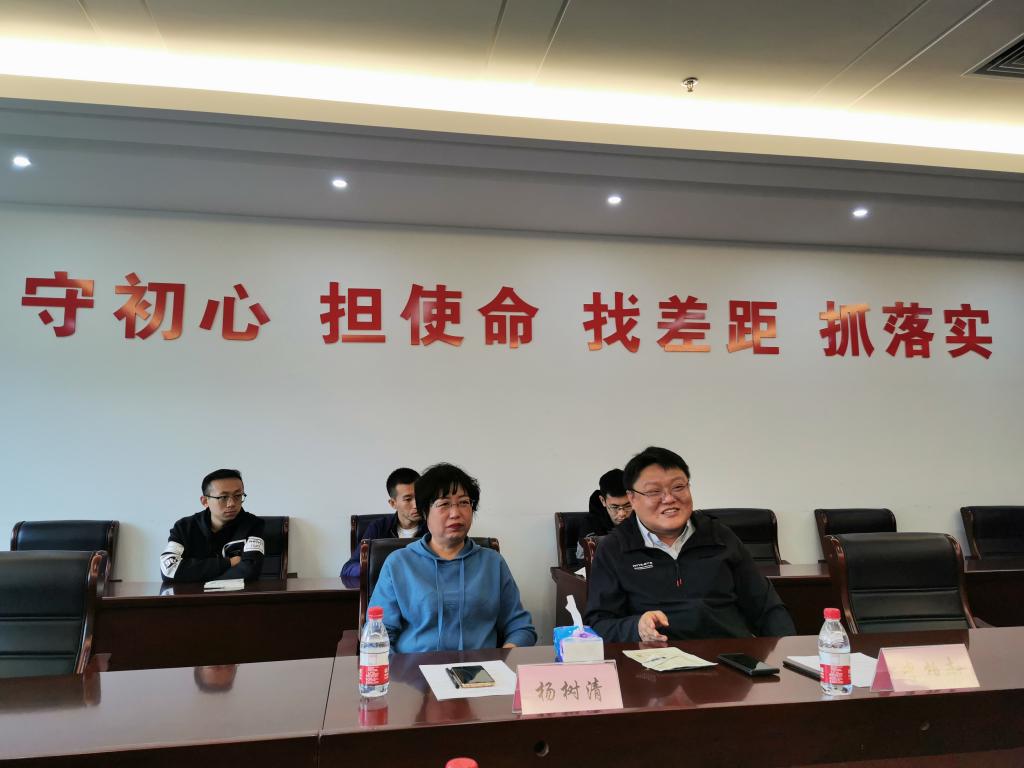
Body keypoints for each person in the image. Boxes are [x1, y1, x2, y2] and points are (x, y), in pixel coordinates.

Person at [584, 446, 795, 642]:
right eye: (654, 491)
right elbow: (599, 624)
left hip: (728, 656)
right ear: (632, 498)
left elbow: (766, 608)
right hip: (654, 662)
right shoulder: (614, 548)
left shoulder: (719, 536)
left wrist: (787, 654)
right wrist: (636, 627)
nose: (669, 499)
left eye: (678, 487)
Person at [368, 462, 537, 653]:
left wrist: (503, 659)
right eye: (444, 504)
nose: (456, 513)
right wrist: (399, 670)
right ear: (424, 512)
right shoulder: (399, 563)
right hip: (414, 669)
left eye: (464, 503)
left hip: (480, 669)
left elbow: (520, 627)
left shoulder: (492, 562)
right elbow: (379, 634)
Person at [159, 468, 265, 582]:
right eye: (223, 497)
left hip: (236, 593)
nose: (232, 503)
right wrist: (229, 562)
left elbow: (249, 572)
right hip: (192, 594)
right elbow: (169, 570)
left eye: (238, 495)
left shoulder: (254, 524)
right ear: (205, 501)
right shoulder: (184, 527)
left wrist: (196, 575)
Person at [340, 467, 425, 579]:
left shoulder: (434, 526)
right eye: (408, 499)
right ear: (393, 503)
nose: (416, 505)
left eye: (419, 496)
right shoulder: (378, 527)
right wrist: (384, 567)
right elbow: (348, 569)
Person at [576, 468, 633, 562]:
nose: (622, 513)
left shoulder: (643, 515)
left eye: (628, 506)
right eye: (614, 507)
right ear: (603, 500)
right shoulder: (590, 523)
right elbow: (583, 557)